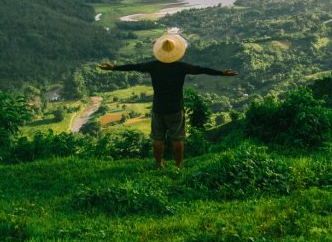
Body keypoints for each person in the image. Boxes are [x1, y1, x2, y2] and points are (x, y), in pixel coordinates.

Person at [98, 27, 237, 168]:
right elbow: (201, 69)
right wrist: (222, 73)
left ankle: (159, 164)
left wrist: (113, 67)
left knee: (158, 138)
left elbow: (134, 66)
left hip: (158, 107)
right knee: (177, 138)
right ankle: (178, 165)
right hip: (175, 108)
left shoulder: (153, 66)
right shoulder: (181, 67)